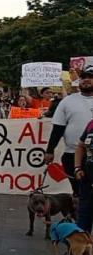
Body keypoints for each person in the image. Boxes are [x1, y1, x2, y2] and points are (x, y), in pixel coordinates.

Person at [45, 66, 93, 197]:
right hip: (72, 155)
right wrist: (50, 150)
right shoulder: (67, 101)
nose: (86, 80)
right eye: (83, 77)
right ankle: (80, 216)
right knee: (78, 192)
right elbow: (58, 128)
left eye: (90, 77)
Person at [74, 119, 93, 233]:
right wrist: (77, 168)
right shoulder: (91, 124)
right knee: (83, 216)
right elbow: (80, 146)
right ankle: (81, 249)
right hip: (87, 179)